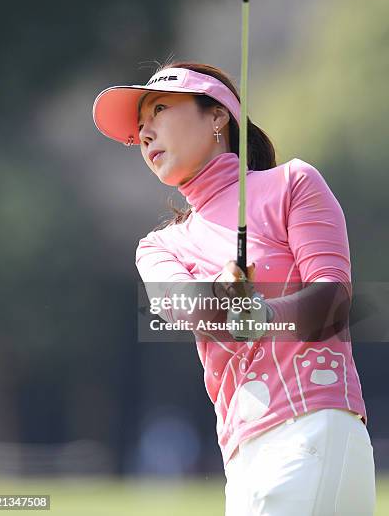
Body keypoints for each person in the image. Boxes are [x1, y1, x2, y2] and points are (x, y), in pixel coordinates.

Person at [93, 61, 376, 515]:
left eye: (160, 110)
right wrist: (221, 296)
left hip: (313, 429)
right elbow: (184, 307)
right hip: (243, 457)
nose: (145, 134)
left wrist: (259, 313)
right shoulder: (158, 246)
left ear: (218, 116)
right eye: (139, 130)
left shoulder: (292, 184)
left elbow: (334, 302)